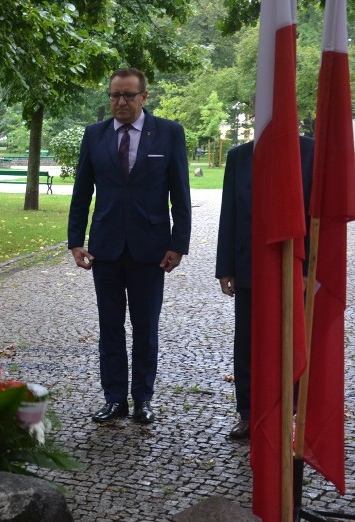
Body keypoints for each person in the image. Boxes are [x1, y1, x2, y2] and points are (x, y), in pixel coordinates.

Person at [67, 68, 191, 425]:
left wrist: (178, 244)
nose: (120, 102)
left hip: (150, 249)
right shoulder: (95, 135)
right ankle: (114, 398)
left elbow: (180, 195)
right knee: (110, 327)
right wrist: (76, 240)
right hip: (105, 248)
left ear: (144, 97)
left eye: (128, 96)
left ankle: (143, 399)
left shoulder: (168, 134)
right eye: (114, 95)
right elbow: (81, 193)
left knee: (145, 327)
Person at [215, 136, 314, 440]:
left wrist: (310, 268)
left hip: (296, 266)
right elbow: (229, 213)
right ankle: (248, 413)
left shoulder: (311, 152)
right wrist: (226, 267)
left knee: (294, 338)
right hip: (250, 266)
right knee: (247, 342)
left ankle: (293, 411)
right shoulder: (240, 156)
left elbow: (317, 214)